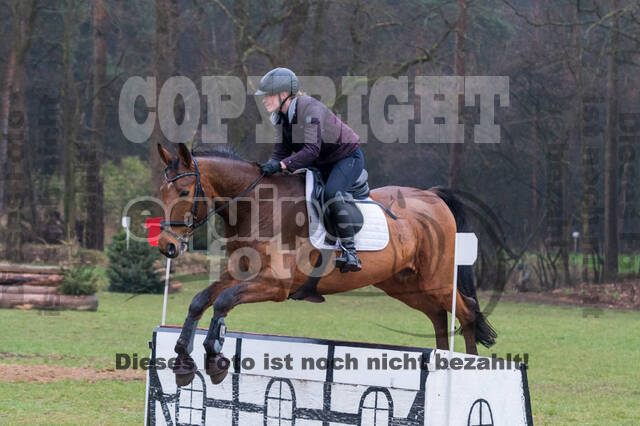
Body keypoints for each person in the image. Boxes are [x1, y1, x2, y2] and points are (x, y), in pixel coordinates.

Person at [255, 67, 364, 273]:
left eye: (268, 95)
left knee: (331, 193)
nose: (264, 100)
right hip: (322, 164)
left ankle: (351, 252)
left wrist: (281, 166)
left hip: (347, 158)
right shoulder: (281, 118)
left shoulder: (309, 109)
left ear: (284, 94)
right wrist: (267, 171)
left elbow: (311, 150)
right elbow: (280, 153)